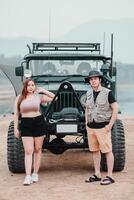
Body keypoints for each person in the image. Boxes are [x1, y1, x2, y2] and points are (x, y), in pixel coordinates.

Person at [14, 78, 55, 185]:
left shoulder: (39, 96)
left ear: (35, 86)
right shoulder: (19, 98)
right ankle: (27, 176)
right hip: (26, 124)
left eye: (33, 85)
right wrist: (15, 128)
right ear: (25, 87)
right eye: (28, 85)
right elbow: (16, 114)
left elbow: (55, 97)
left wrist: (43, 90)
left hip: (39, 122)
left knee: (38, 149)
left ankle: (35, 173)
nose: (31, 87)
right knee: (28, 150)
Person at [84, 70, 119, 185]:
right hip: (91, 127)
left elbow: (115, 108)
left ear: (100, 80)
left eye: (95, 78)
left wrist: (110, 125)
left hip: (103, 127)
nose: (93, 81)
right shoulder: (88, 93)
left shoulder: (107, 93)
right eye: (91, 79)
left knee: (107, 151)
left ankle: (110, 176)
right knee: (94, 151)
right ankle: (97, 174)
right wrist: (86, 123)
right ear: (89, 81)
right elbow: (87, 109)